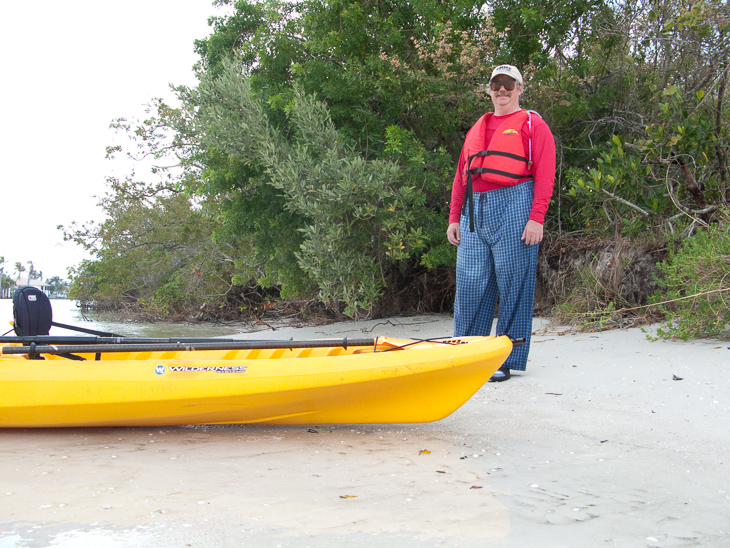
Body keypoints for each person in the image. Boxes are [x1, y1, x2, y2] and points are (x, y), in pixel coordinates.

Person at [447, 64, 556, 382]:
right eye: (497, 84)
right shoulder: (476, 128)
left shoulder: (534, 125)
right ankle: (467, 353)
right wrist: (455, 217)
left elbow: (545, 173)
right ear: (489, 89)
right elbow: (460, 176)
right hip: (474, 211)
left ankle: (505, 359)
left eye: (509, 84)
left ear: (520, 89)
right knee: (469, 284)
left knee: (513, 284)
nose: (503, 90)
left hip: (515, 204)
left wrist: (536, 219)